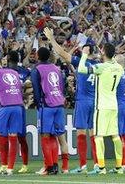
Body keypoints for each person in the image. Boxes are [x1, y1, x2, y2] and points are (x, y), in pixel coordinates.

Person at [44, 28, 90, 173]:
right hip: (96, 101)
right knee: (95, 135)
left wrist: (51, 39)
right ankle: (98, 166)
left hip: (80, 101)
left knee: (80, 133)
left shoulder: (81, 63)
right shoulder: (99, 64)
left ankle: (82, 166)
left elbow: (62, 54)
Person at [78, 44, 125, 175]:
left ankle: (101, 167)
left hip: (102, 106)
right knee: (115, 136)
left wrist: (85, 54)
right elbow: (113, 62)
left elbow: (81, 69)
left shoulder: (101, 67)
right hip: (114, 106)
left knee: (98, 137)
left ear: (103, 52)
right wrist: (107, 55)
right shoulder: (119, 68)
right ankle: (119, 167)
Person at [0, 57, 24, 176]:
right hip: (18, 107)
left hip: (4, 107)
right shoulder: (14, 73)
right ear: (1, 64)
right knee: (13, 137)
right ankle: (9, 169)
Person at [30, 47, 66, 175]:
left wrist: (39, 104)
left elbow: (36, 89)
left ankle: (49, 167)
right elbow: (63, 85)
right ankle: (55, 166)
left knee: (45, 136)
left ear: (38, 56)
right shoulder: (57, 68)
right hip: (59, 104)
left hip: (47, 105)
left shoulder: (36, 70)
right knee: (53, 135)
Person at [9, 51, 31, 174]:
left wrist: (26, 89)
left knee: (19, 137)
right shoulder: (5, 71)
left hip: (16, 106)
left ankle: (20, 164)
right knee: (17, 137)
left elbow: (30, 84)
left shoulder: (24, 71)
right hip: (15, 106)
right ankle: (22, 164)